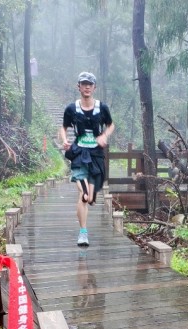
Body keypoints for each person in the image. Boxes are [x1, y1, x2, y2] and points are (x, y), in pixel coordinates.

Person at [59, 71, 115, 247]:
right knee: (83, 195)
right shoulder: (71, 108)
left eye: (90, 84)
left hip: (96, 155)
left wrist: (104, 136)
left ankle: (89, 198)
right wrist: (65, 140)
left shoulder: (102, 108)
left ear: (94, 87)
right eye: (84, 84)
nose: (87, 86)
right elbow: (63, 127)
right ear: (79, 87)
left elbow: (111, 124)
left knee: (90, 198)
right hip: (79, 154)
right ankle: (83, 233)